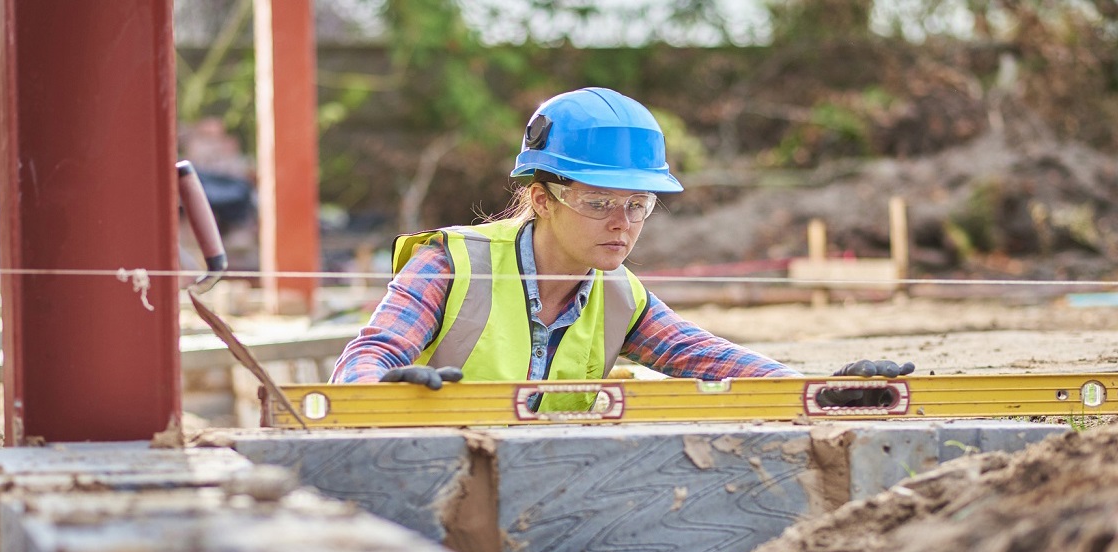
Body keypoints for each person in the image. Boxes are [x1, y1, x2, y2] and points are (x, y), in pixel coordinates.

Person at [330, 87, 912, 410]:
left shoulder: (618, 296)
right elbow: (366, 357)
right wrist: (378, 393)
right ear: (541, 199)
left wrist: (821, 389)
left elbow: (706, 357)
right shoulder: (451, 265)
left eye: (638, 205)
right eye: (599, 203)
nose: (623, 224)